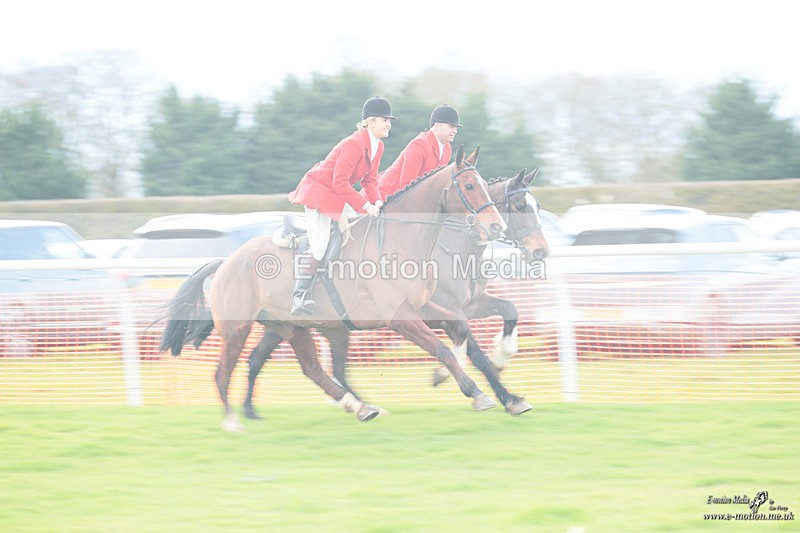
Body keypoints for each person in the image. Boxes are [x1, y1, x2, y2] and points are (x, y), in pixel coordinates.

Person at [286, 96, 395, 315]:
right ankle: (299, 296)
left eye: (389, 120)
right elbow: (340, 182)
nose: (388, 124)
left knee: (356, 229)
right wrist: (366, 206)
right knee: (319, 244)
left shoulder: (378, 146)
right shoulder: (353, 144)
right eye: (385, 120)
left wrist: (378, 202)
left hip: (336, 195)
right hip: (319, 192)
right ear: (370, 122)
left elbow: (370, 181)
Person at [377, 104, 462, 200]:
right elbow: (407, 185)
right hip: (385, 197)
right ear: (437, 125)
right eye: (451, 126)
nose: (455, 131)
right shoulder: (419, 145)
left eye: (456, 128)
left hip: (411, 198)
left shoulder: (447, 148)